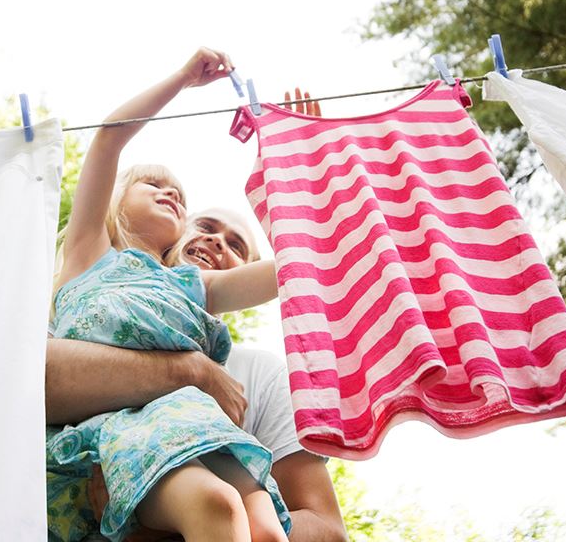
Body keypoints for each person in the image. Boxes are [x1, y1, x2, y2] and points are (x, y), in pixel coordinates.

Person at [46, 94, 349, 542]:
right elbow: (108, 140)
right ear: (180, 241)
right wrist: (188, 77)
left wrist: (303, 159)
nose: (216, 243)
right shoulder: (94, 269)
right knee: (219, 505)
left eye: (236, 245)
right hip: (131, 433)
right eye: (206, 227)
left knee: (264, 527)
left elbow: (298, 263)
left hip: (202, 426)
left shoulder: (215, 316)